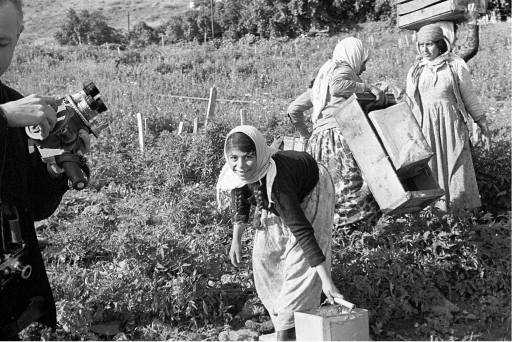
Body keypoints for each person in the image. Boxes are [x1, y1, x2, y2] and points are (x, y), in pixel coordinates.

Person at [0, 0, 89, 339]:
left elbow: (32, 207)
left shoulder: (13, 101)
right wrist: (4, 116)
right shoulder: (11, 110)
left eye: (0, 43)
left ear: (19, 36)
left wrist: (56, 169)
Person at [217, 125, 344, 342]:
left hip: (313, 189)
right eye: (234, 158)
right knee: (264, 256)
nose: (240, 165)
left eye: (248, 157)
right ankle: (280, 316)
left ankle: (285, 332)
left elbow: (303, 233)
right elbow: (240, 200)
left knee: (302, 263)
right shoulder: (239, 173)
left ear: (260, 153)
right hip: (277, 194)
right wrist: (235, 240)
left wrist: (326, 281)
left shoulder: (278, 183)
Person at [287, 37, 386, 231]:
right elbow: (338, 86)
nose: (364, 68)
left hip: (319, 143)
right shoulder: (345, 71)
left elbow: (293, 109)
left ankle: (336, 239)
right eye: (363, 62)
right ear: (354, 56)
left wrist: (305, 135)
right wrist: (368, 87)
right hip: (340, 140)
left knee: (332, 192)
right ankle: (354, 237)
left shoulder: (320, 82)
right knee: (360, 189)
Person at [406, 24, 490, 213]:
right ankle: (437, 218)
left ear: (440, 45)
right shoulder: (416, 71)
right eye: (421, 45)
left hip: (452, 126)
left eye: (429, 44)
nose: (424, 50)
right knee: (431, 171)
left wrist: (481, 122)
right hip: (427, 128)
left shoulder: (455, 65)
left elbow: (469, 97)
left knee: (457, 168)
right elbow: (410, 103)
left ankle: (460, 219)